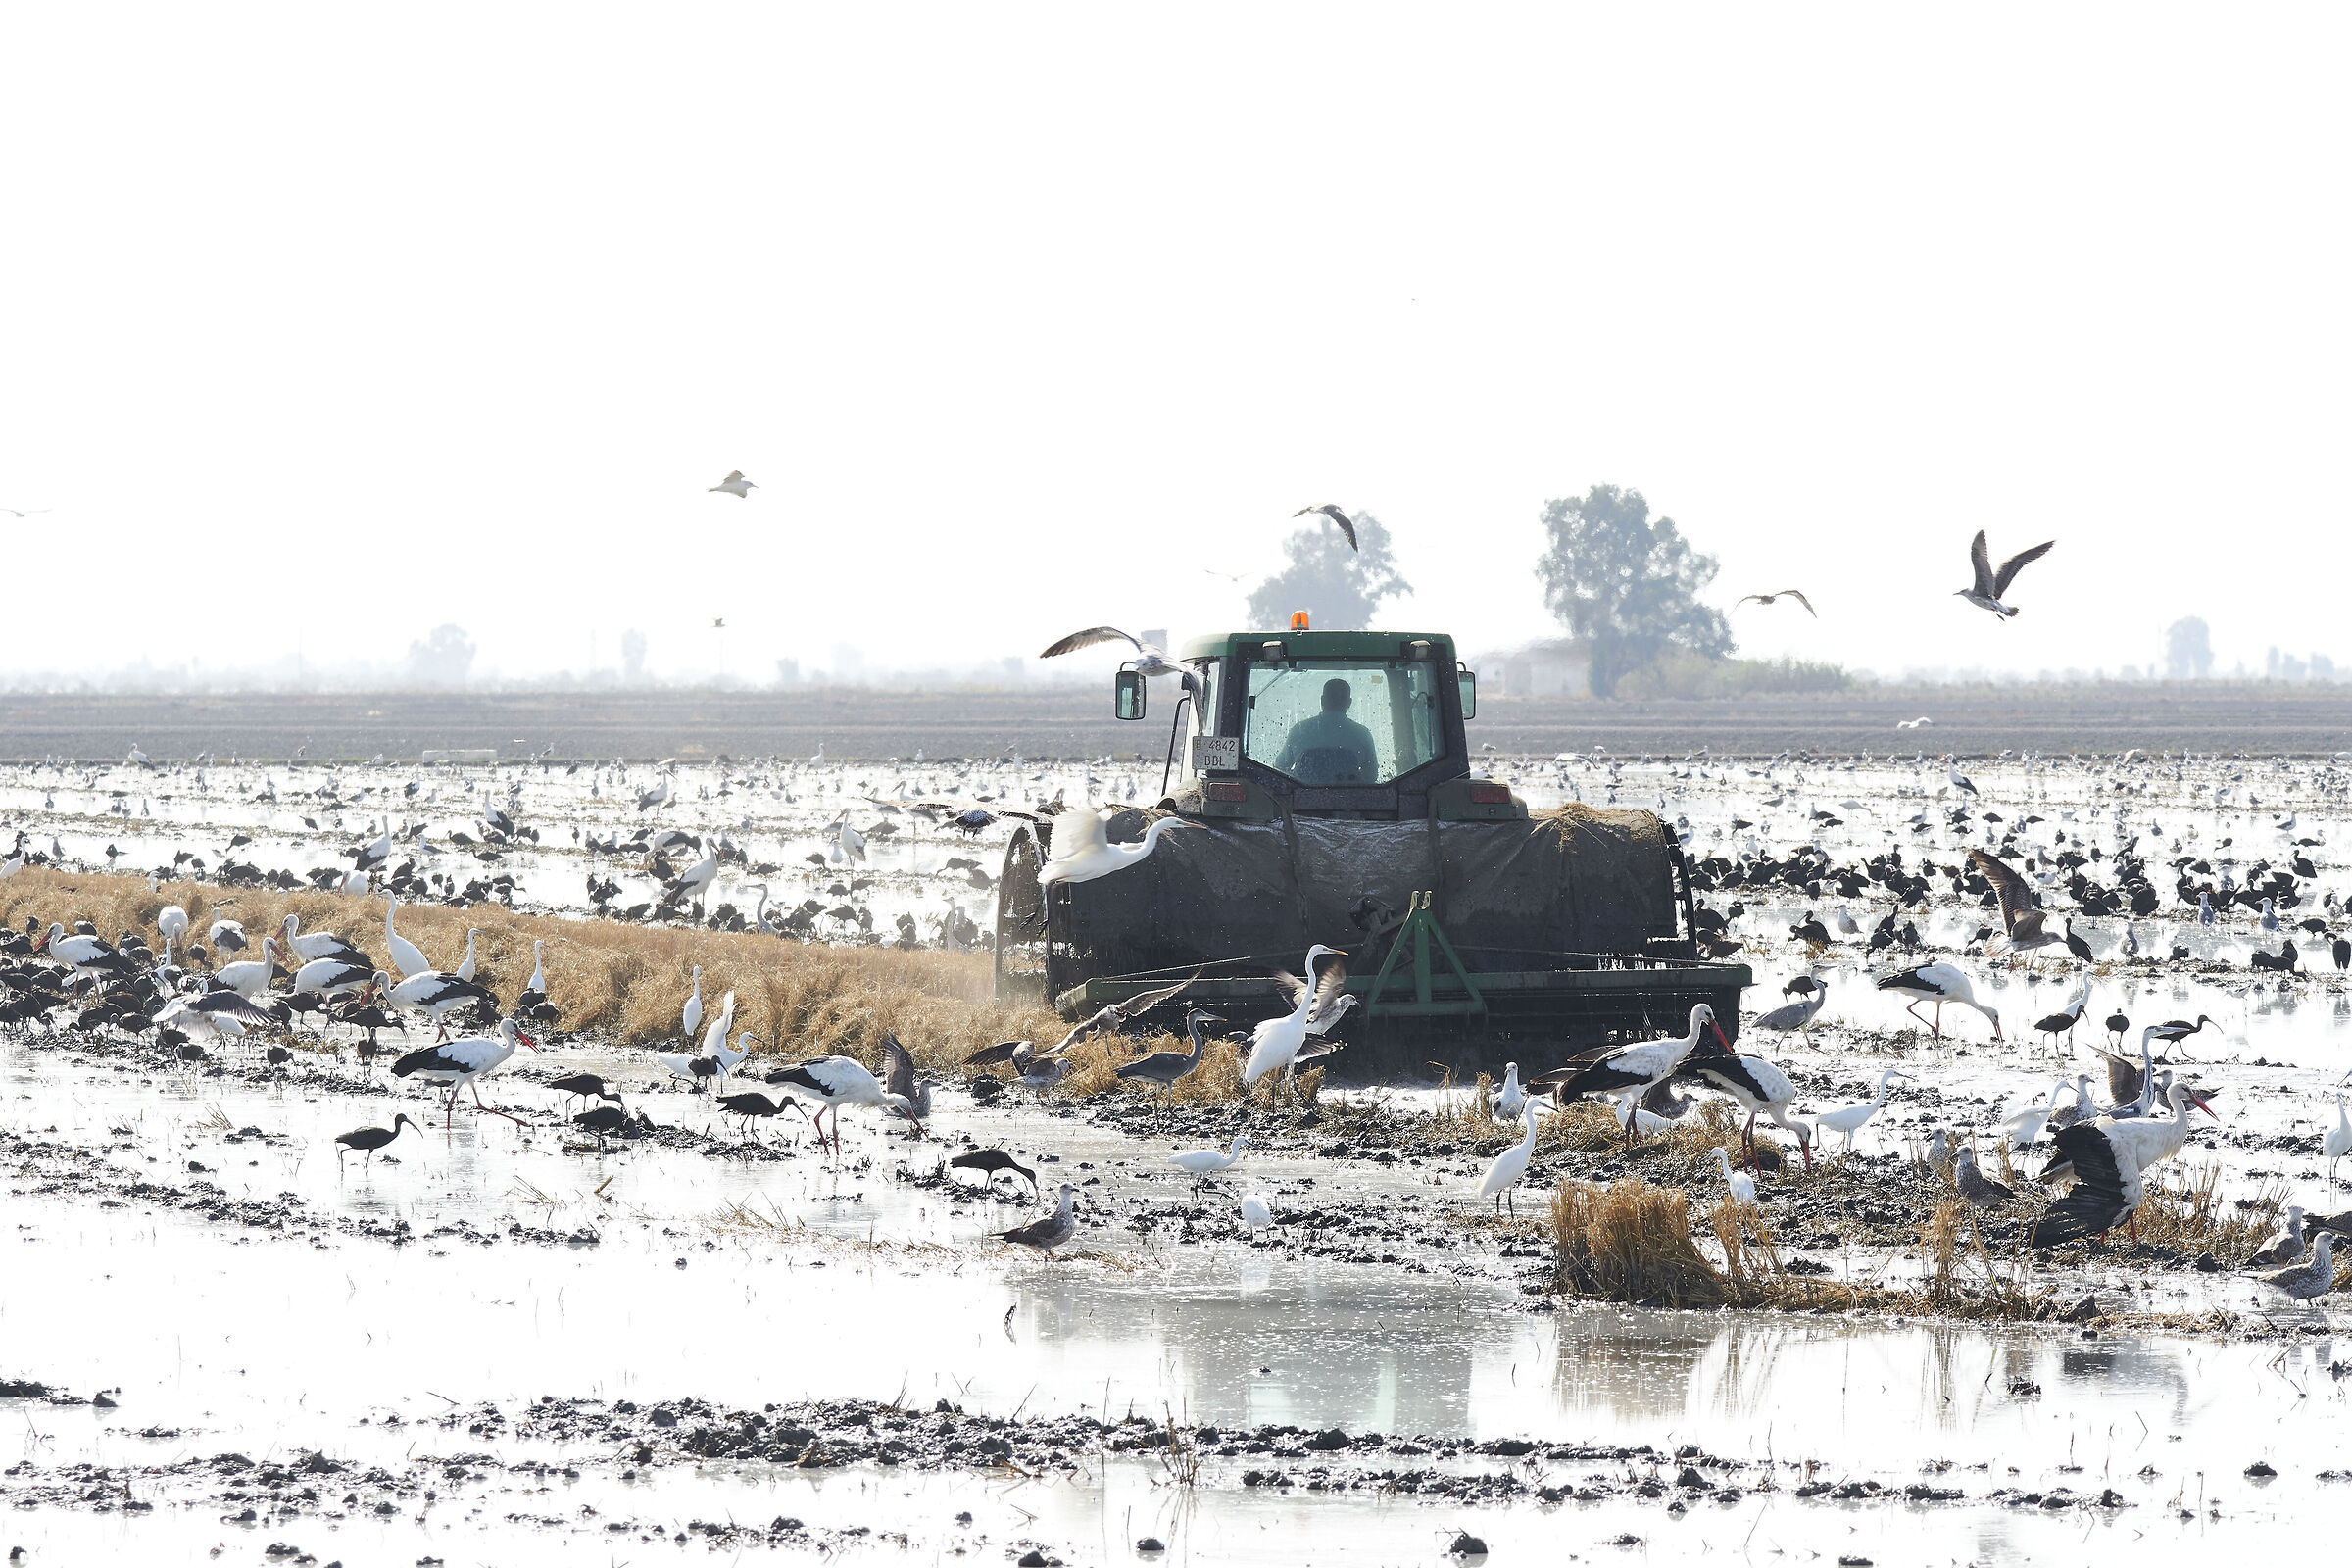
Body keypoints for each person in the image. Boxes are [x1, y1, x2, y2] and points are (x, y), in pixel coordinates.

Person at [1273, 677, 1380, 783]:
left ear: (1322, 700)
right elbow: (1371, 775)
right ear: (1349, 702)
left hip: (1302, 798)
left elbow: (1280, 769)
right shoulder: (1362, 734)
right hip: (1349, 799)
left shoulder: (1300, 730)